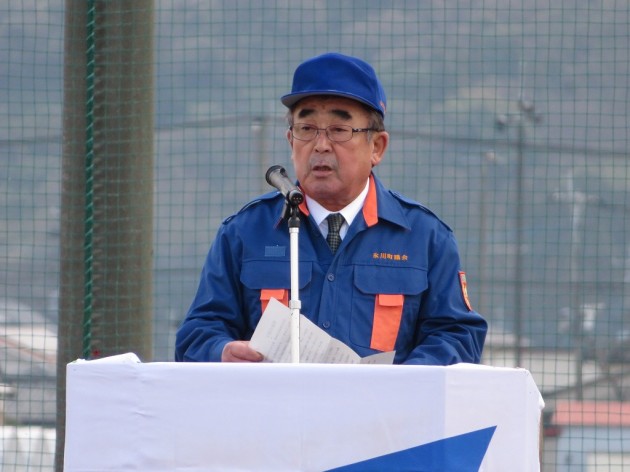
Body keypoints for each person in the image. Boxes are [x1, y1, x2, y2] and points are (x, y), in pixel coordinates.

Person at [175, 52, 487, 364]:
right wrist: (222, 351)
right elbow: (197, 334)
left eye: (339, 130)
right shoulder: (245, 232)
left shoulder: (424, 237)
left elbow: (457, 336)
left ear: (377, 147)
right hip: (275, 397)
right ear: (290, 140)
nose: (321, 145)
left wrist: (401, 380)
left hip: (381, 398)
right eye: (306, 128)